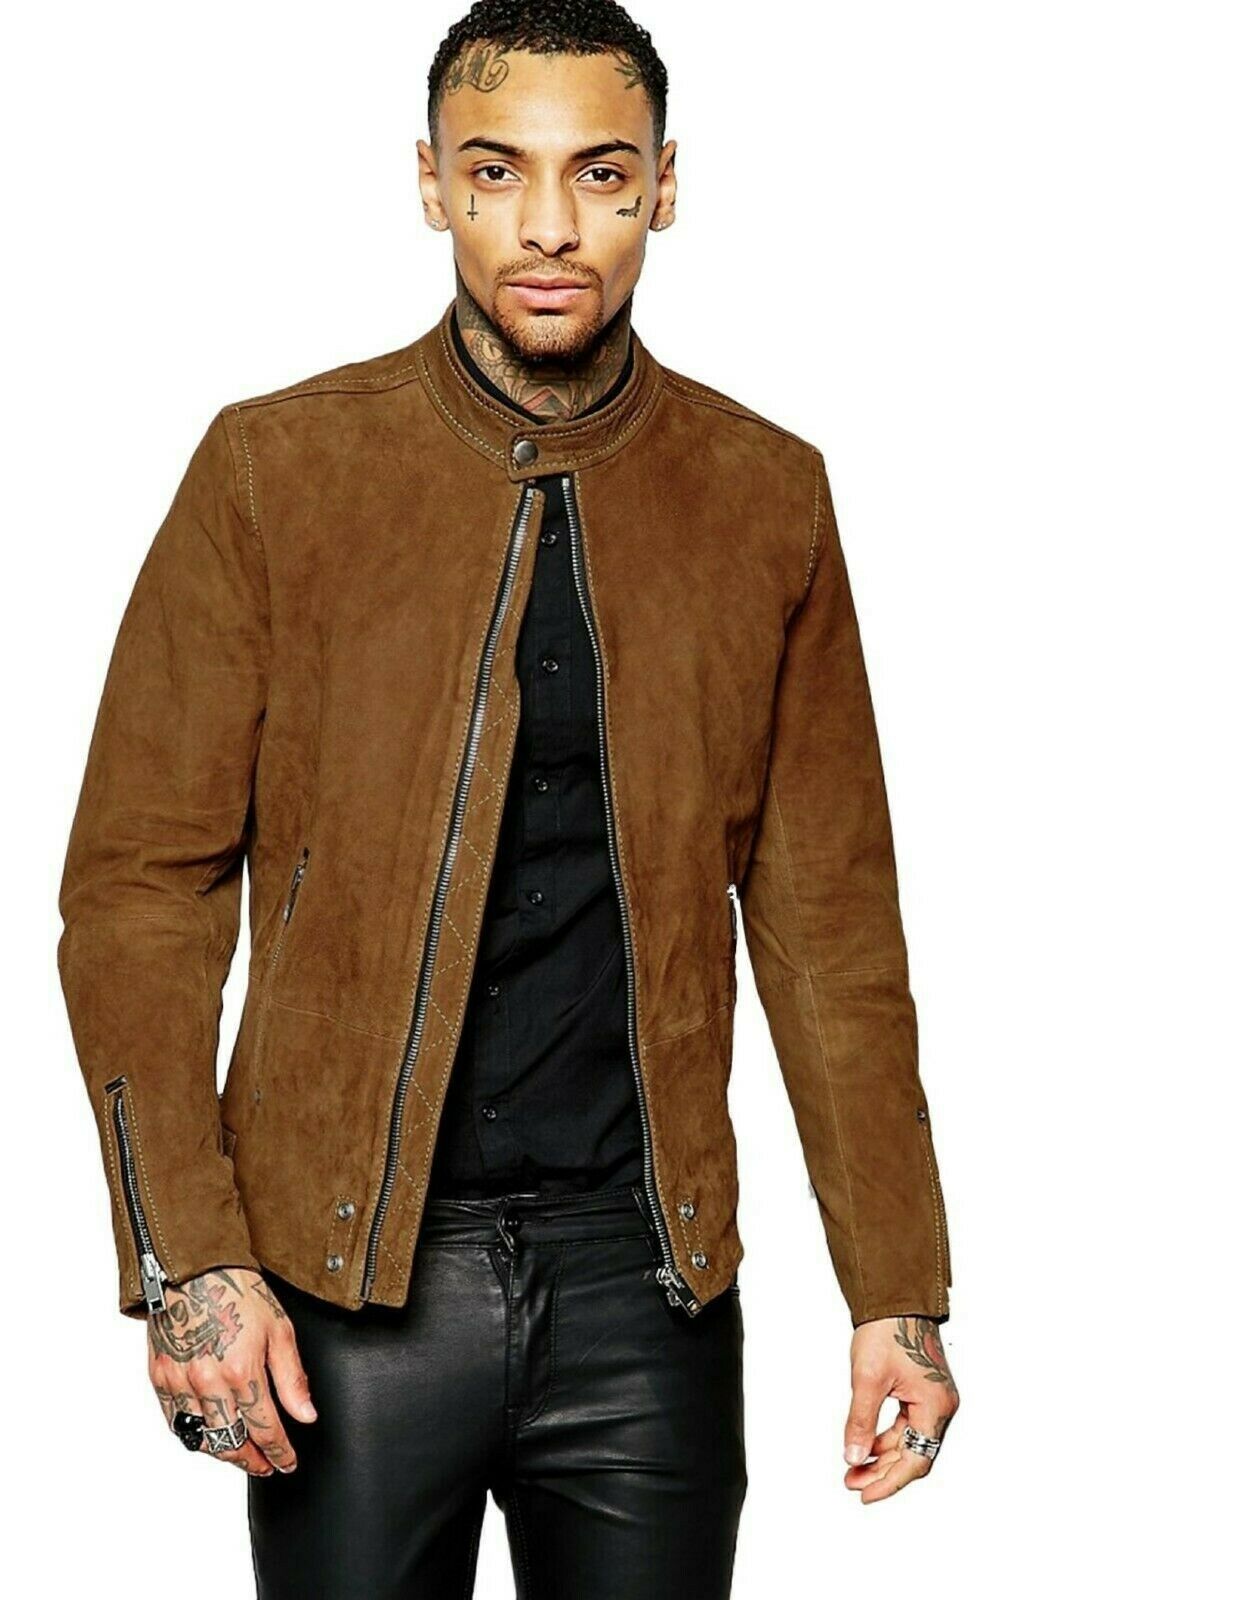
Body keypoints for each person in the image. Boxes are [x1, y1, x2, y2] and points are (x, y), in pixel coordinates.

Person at [57, 2, 959, 1594]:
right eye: (496, 171)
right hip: (344, 1290)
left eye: (598, 174)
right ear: (431, 184)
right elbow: (140, 888)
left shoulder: (764, 495)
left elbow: (827, 921)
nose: (548, 225)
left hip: (647, 1288)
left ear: (662, 186)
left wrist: (898, 1288)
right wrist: (189, 1260)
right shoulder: (275, 469)